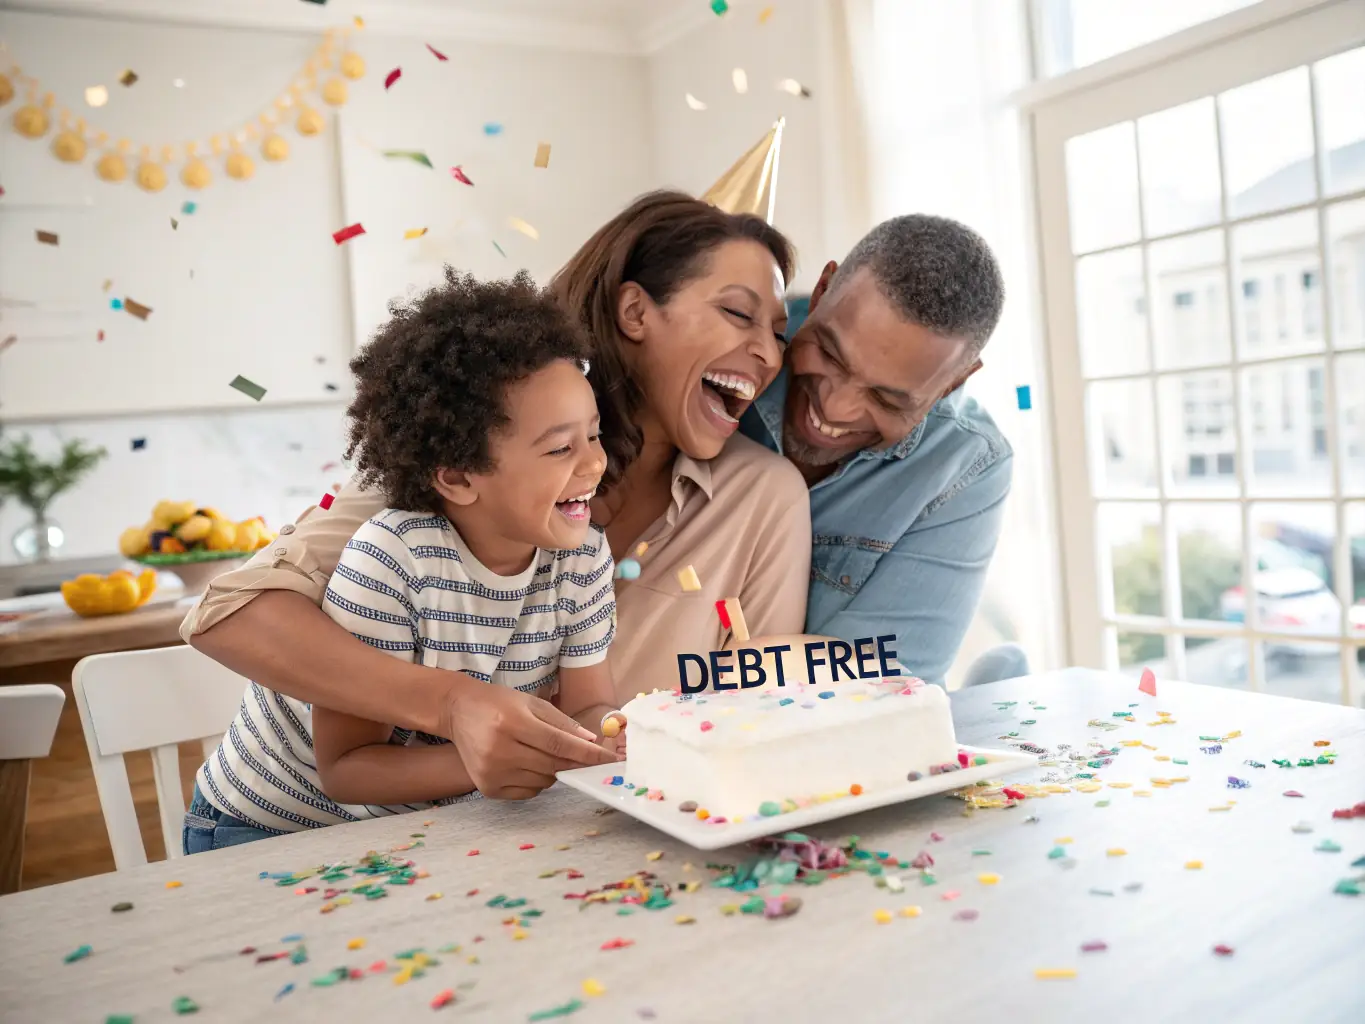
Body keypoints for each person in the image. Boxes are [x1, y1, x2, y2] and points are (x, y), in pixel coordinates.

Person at [181, 191, 811, 801]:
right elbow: (229, 614)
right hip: (291, 821)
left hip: (502, 828)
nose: (767, 353)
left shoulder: (756, 501)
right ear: (635, 312)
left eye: (780, 333)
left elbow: (754, 701)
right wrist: (455, 705)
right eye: (738, 313)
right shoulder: (464, 433)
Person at [185, 273, 625, 851]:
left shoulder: (582, 557)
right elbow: (348, 770)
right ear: (458, 477)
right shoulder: (392, 559)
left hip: (419, 833)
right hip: (268, 829)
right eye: (561, 447)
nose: (594, 464)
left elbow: (590, 704)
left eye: (594, 435)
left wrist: (607, 737)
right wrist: (482, 761)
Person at [740, 213, 1022, 687]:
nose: (835, 406)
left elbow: (880, 680)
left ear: (954, 382)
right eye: (830, 354)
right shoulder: (729, 351)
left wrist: (707, 674)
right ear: (823, 289)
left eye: (887, 399)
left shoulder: (965, 465)